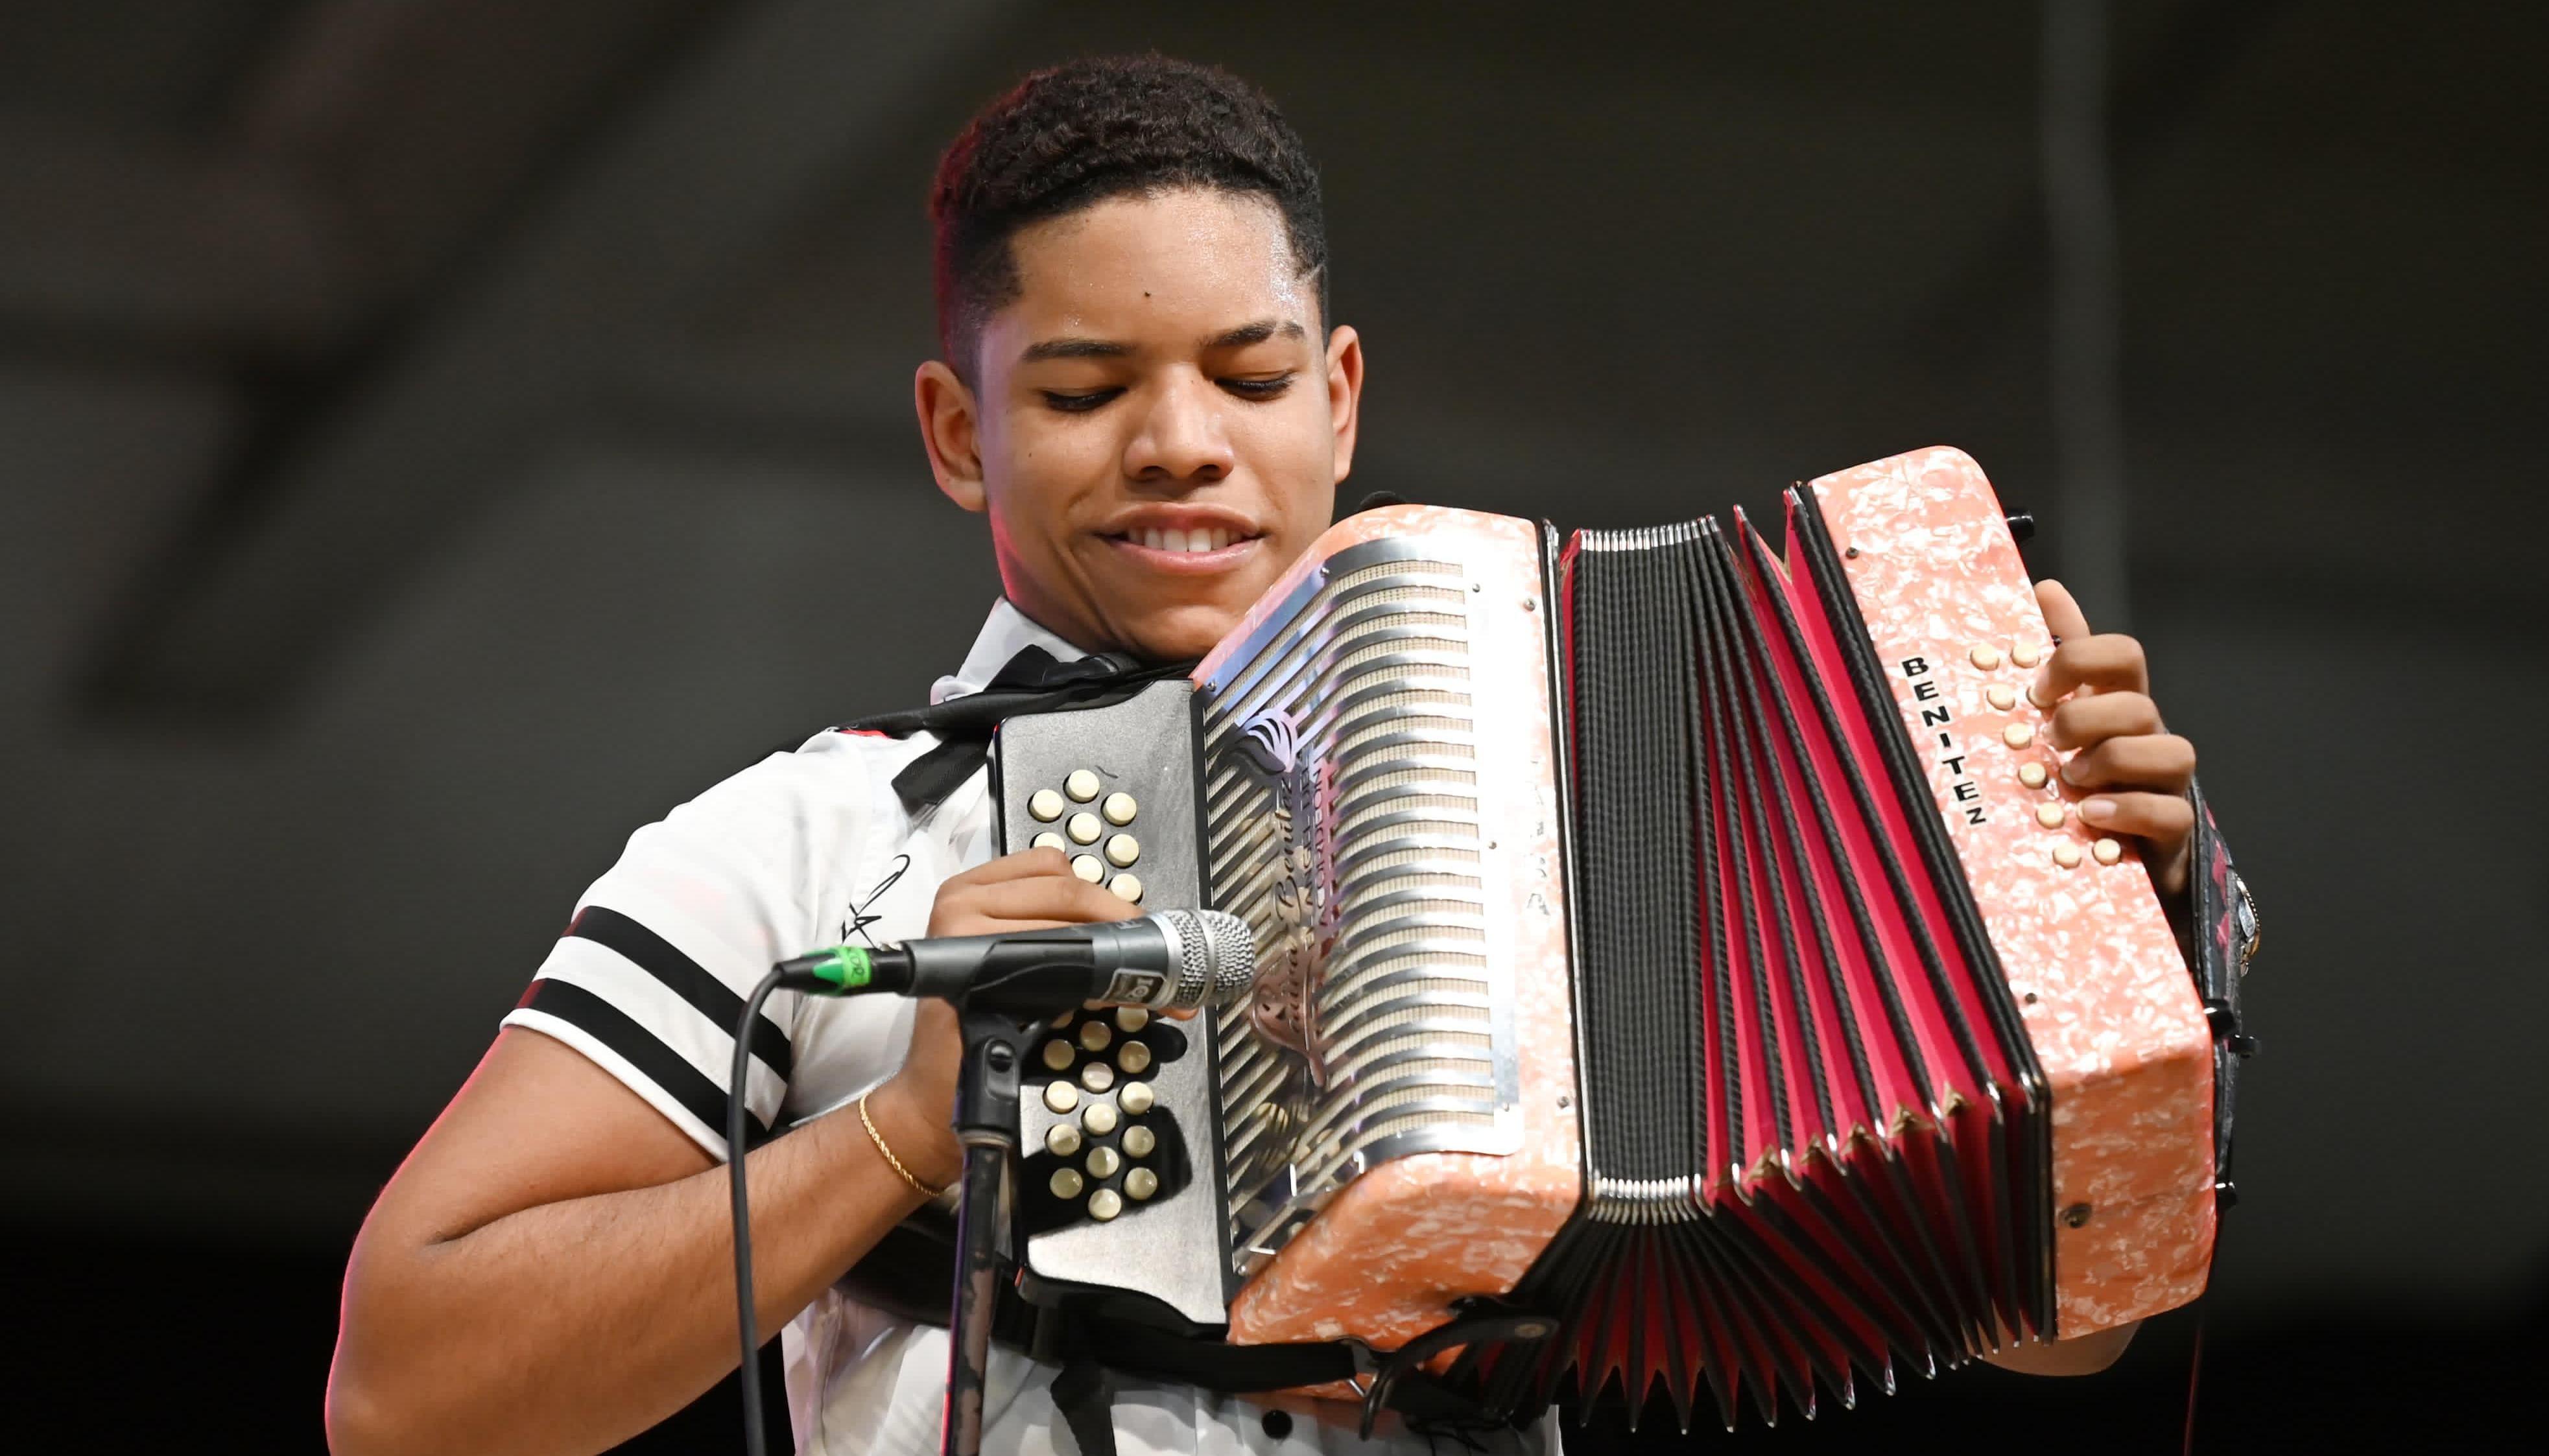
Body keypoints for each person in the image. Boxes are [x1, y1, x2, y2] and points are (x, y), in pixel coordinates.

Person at [326, 53, 2202, 1456]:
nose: (1177, 445)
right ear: (955, 434)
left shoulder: (1590, 810)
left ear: (1341, 397)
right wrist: (899, 1134)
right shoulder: (808, 846)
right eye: (1079, 392)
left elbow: (2057, 1330)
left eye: (1245, 375)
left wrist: (2111, 928)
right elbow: (402, 1388)